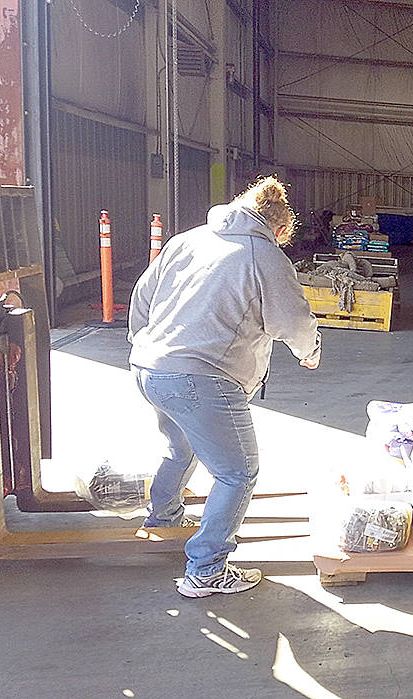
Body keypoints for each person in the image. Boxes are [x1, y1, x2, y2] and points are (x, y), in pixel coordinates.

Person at [128, 176, 322, 597]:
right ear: (278, 228)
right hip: (203, 377)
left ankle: (163, 517)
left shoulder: (187, 240)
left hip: (149, 366)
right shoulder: (264, 254)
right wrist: (310, 350)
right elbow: (292, 319)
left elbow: (142, 297)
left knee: (180, 447)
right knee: (238, 472)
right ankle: (206, 569)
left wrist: (149, 346)